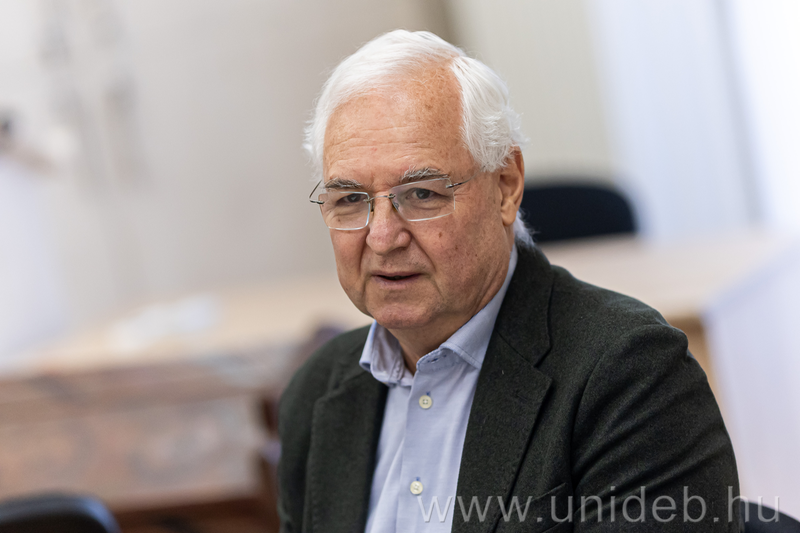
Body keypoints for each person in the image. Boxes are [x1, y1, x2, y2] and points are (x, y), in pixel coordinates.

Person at [278, 30, 740, 532]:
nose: (383, 237)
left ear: (505, 186)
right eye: (350, 200)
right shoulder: (317, 391)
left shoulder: (630, 374)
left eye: (422, 194)